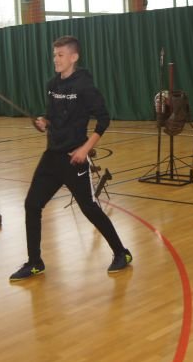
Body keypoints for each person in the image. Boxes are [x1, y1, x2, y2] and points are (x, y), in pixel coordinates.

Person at [9, 36, 131, 281]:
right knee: (32, 205)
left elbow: (103, 119)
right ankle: (35, 262)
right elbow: (54, 117)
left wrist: (85, 149)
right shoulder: (52, 85)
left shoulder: (85, 86)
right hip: (51, 157)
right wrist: (44, 122)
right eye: (54, 55)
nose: (55, 59)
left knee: (89, 208)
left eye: (61, 55)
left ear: (74, 57)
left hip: (74, 159)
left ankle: (121, 253)